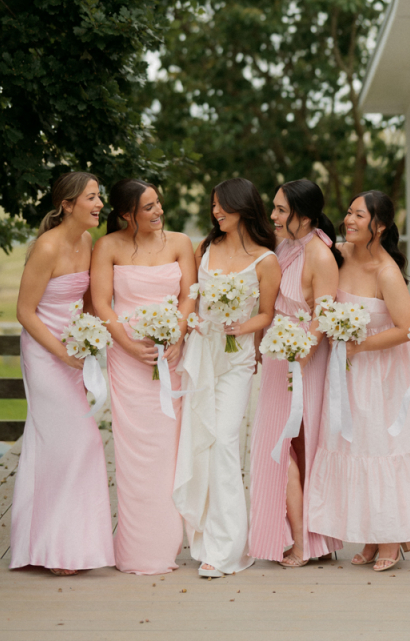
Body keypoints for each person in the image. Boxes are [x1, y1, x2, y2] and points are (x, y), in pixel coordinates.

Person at [307, 190, 410, 571]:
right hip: (344, 372)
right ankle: (368, 534)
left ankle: (392, 539)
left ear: (378, 226)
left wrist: (360, 347)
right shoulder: (341, 255)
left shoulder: (386, 272)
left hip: (381, 375)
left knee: (381, 449)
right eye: (348, 213)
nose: (348, 220)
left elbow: (407, 328)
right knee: (353, 449)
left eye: (358, 216)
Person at [173, 178, 280, 578]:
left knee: (225, 440)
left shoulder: (266, 259)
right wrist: (195, 322)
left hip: (236, 362)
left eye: (222, 205)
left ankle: (228, 549)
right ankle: (203, 538)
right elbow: (192, 298)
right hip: (203, 353)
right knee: (202, 439)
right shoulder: (206, 248)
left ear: (243, 207)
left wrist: (243, 327)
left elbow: (267, 314)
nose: (216, 211)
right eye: (213, 205)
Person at [10, 171, 114, 575]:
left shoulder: (87, 241)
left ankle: (63, 544)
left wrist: (89, 340)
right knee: (79, 441)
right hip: (43, 354)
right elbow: (24, 311)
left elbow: (86, 301)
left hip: (74, 352)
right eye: (91, 197)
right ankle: (56, 548)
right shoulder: (47, 246)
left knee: (63, 446)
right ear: (67, 204)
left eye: (99, 196)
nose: (99, 204)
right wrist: (62, 353)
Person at [90, 179, 196, 575]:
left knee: (169, 451)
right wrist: (128, 344)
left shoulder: (180, 243)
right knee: (136, 455)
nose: (158, 211)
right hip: (128, 359)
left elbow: (190, 294)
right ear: (125, 215)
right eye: (148, 207)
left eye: (158, 203)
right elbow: (101, 302)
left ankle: (169, 544)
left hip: (171, 357)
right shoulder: (109, 246)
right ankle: (136, 550)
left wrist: (178, 332)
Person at [248, 179, 342, 567]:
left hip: (303, 357)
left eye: (281, 210)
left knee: (288, 445)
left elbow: (326, 313)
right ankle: (293, 535)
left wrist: (302, 350)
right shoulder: (284, 246)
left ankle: (304, 542)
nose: (273, 215)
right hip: (276, 353)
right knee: (283, 445)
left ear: (304, 217)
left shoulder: (320, 255)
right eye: (274, 207)